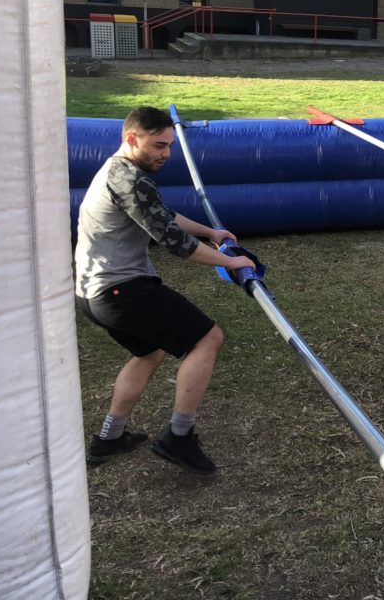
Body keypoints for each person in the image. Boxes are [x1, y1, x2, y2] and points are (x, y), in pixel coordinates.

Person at [75, 107, 256, 475]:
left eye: (170, 146)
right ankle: (179, 437)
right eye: (158, 145)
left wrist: (210, 231)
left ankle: (109, 437)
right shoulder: (129, 179)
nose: (166, 154)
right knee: (207, 339)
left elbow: (162, 214)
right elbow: (175, 243)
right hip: (120, 291)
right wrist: (232, 263)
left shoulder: (118, 171)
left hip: (91, 293)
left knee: (150, 352)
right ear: (131, 138)